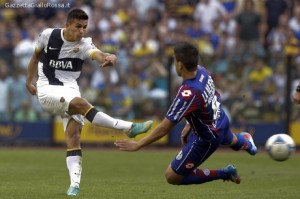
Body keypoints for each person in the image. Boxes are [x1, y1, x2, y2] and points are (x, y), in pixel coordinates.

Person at [26, 8, 153, 196]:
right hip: (47, 90)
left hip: (70, 89)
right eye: (78, 26)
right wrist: (29, 81)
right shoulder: (48, 35)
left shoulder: (85, 44)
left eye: (85, 27)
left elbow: (97, 54)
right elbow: (35, 57)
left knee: (74, 136)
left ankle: (74, 185)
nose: (82, 31)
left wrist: (110, 57)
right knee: (82, 103)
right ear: (67, 25)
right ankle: (128, 128)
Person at [115, 42, 257, 186]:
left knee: (172, 176)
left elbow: (165, 127)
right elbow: (206, 100)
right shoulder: (202, 71)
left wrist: (139, 144)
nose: (174, 64)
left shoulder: (188, 93)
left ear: (180, 65)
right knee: (230, 140)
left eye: (175, 60)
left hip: (207, 137)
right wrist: (190, 123)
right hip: (220, 119)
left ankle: (224, 173)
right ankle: (245, 141)